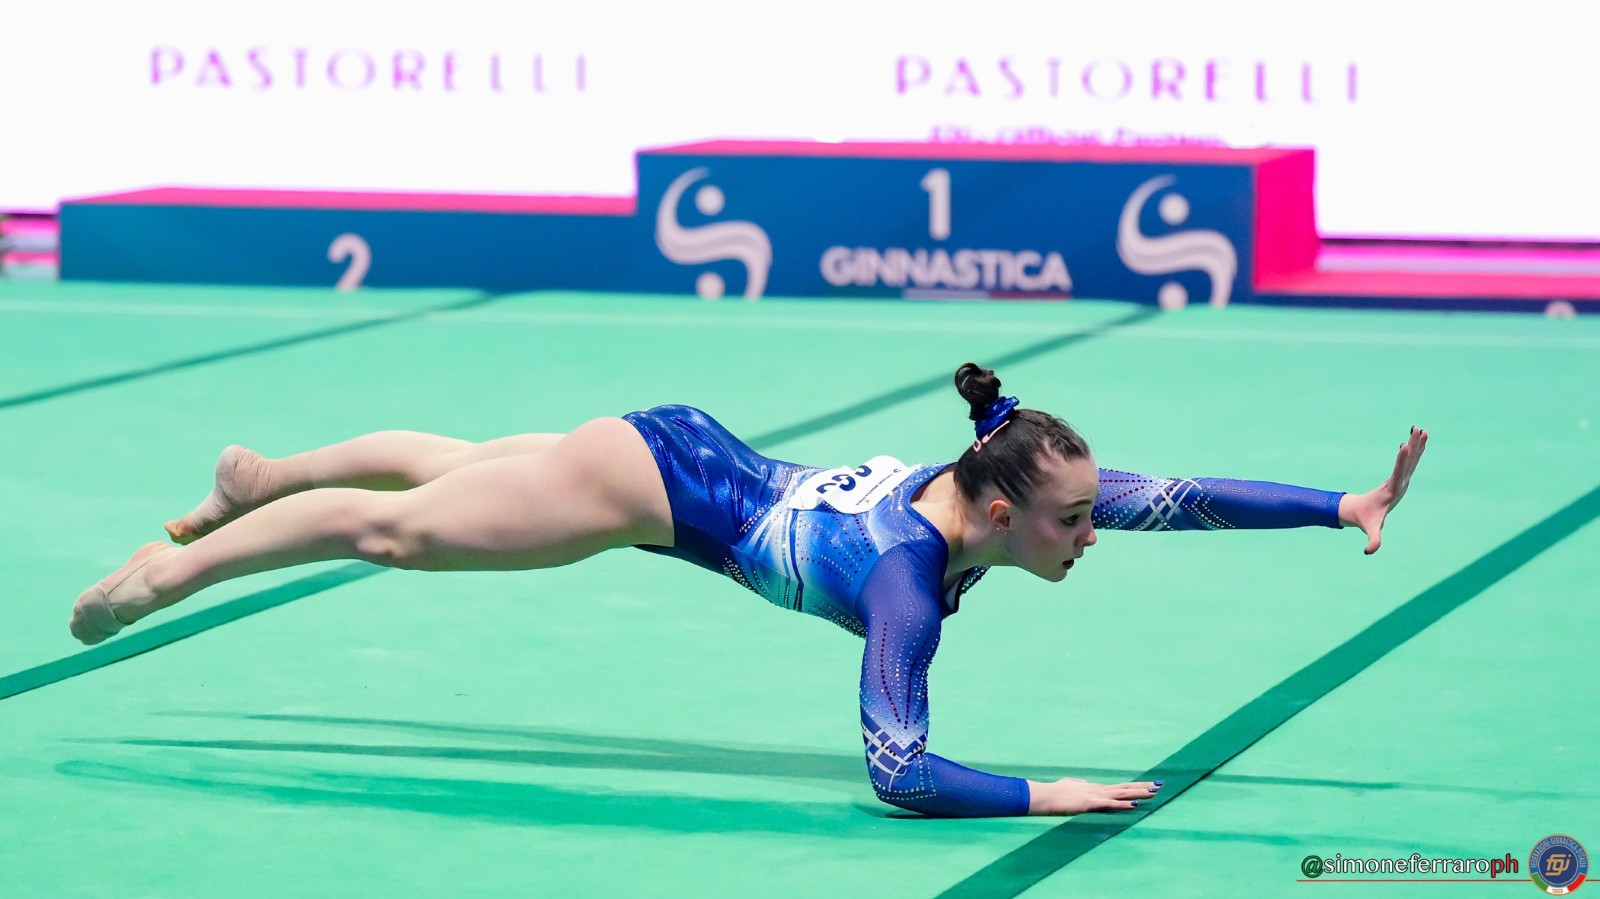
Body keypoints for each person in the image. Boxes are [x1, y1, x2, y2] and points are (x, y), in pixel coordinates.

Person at [69, 363, 1428, 818]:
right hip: (648, 492)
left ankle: (259, 480)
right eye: (1078, 520)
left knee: (454, 469)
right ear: (1004, 511)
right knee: (399, 533)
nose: (1099, 531)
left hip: (678, 456)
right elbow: (899, 772)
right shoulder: (906, 581)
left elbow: (1182, 499)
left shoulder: (991, 486)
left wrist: (1342, 507)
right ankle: (175, 572)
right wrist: (1045, 792)